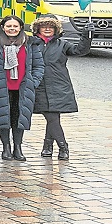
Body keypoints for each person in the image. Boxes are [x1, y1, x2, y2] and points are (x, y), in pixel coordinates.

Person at [0, 15, 45, 162]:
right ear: (3, 27)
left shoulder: (30, 43)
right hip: (1, 86)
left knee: (19, 118)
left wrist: (33, 81)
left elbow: (38, 65)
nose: (12, 29)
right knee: (3, 117)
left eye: (15, 26)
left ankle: (18, 147)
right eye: (9, 26)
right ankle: (6, 147)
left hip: (23, 87)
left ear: (20, 28)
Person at [31, 16, 90, 160]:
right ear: (37, 29)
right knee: (51, 117)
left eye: (50, 27)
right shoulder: (31, 44)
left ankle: (52, 146)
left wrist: (87, 36)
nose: (47, 29)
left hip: (59, 85)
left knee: (53, 117)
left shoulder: (62, 44)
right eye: (44, 26)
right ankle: (60, 146)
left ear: (56, 29)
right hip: (39, 85)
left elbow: (79, 51)